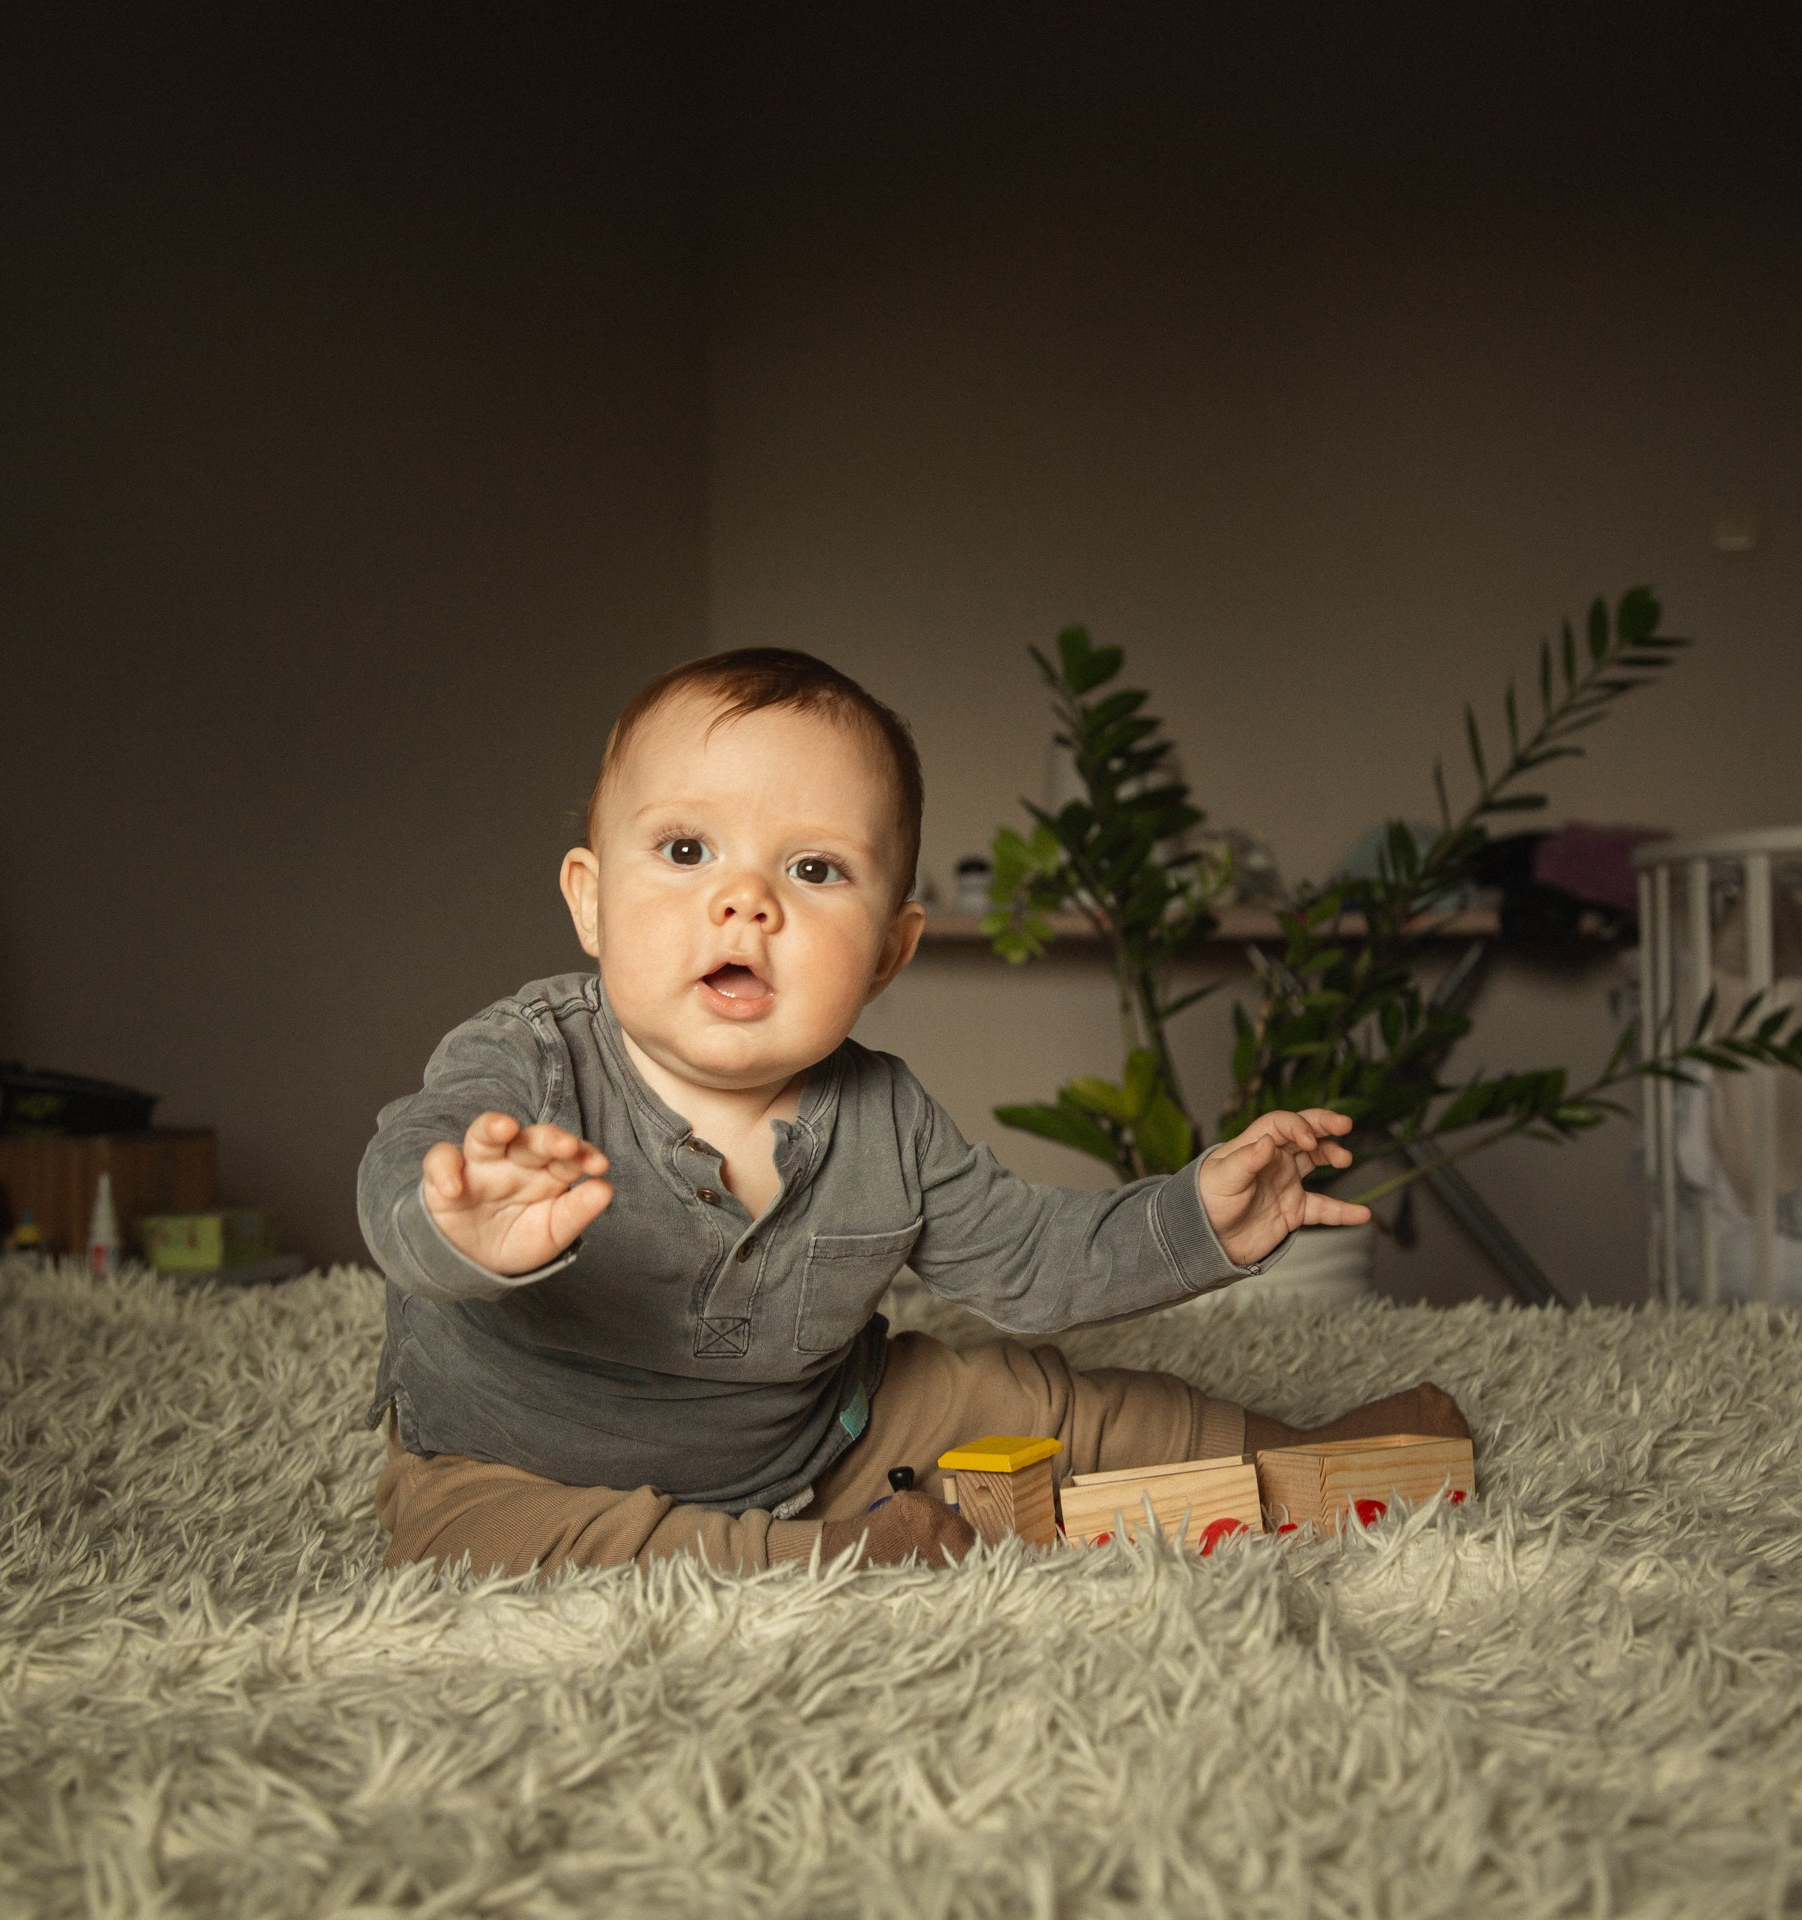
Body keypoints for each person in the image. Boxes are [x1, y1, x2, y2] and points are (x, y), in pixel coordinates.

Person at [360, 648, 1470, 1576]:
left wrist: (1201, 1224)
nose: (745, 899)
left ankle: (1296, 1457)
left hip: (820, 1437)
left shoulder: (881, 1117)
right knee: (487, 1540)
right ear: (591, 900)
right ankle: (828, 1558)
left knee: (1012, 1390)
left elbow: (1033, 1260)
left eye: (814, 868)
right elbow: (407, 1165)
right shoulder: (531, 1062)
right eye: (687, 850)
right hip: (516, 1456)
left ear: (889, 951)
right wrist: (452, 1224)